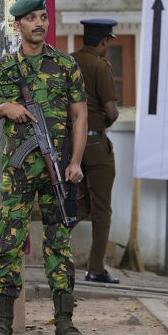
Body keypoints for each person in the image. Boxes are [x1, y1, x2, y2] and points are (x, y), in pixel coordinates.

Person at [0, 0, 87, 335]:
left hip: (57, 170)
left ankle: (64, 320)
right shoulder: (2, 68)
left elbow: (80, 116)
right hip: (17, 173)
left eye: (43, 17)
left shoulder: (65, 65)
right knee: (9, 243)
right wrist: (4, 108)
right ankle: (2, 321)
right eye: (31, 18)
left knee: (59, 243)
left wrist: (76, 161)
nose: (39, 23)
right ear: (17, 25)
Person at [71, 18, 120, 284]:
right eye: (108, 42)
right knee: (102, 210)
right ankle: (96, 268)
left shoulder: (67, 62)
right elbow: (111, 112)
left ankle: (54, 247)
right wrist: (103, 122)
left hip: (71, 145)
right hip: (96, 146)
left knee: (80, 203)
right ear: (103, 41)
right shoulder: (100, 66)